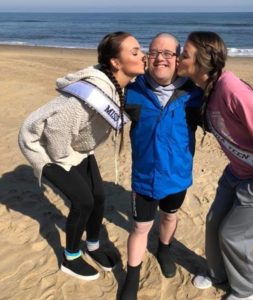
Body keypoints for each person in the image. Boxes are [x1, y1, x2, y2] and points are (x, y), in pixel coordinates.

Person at [18, 32, 145, 281]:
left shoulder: (118, 84)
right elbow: (56, 130)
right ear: (115, 63)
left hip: (75, 145)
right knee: (83, 201)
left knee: (98, 196)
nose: (143, 55)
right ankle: (71, 257)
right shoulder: (95, 92)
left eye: (140, 50)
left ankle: (94, 245)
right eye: (135, 52)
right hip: (43, 143)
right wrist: (65, 161)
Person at [177, 31, 253, 300]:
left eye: (184, 54)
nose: (179, 57)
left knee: (233, 235)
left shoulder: (230, 88)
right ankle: (218, 274)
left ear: (202, 61)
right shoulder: (205, 88)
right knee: (214, 223)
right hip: (235, 173)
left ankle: (250, 287)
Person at [119, 33, 203, 300]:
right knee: (139, 228)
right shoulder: (132, 90)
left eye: (168, 53)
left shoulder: (194, 94)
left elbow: (225, 116)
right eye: (155, 52)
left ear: (178, 59)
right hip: (144, 177)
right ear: (147, 56)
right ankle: (132, 276)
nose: (161, 58)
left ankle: (164, 250)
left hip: (178, 176)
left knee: (169, 216)